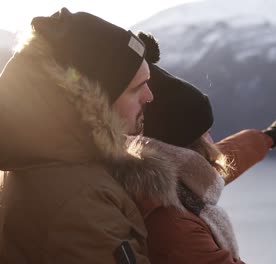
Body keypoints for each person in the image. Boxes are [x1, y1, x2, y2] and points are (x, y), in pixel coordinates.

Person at [0, 8, 213, 263]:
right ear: (93, 102)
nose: (150, 97)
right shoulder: (82, 206)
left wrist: (263, 138)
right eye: (136, 89)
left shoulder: (59, 167)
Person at [133, 32, 276, 264]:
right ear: (187, 144)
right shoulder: (176, 226)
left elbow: (218, 164)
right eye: (204, 131)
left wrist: (270, 137)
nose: (211, 137)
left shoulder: (158, 179)